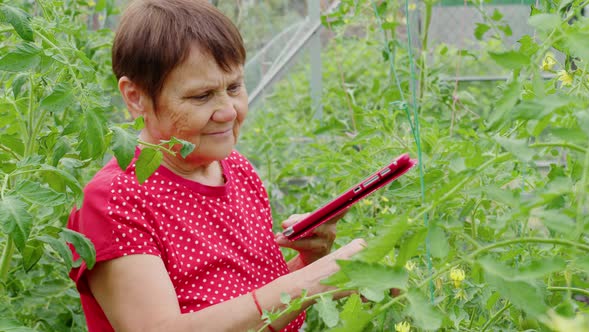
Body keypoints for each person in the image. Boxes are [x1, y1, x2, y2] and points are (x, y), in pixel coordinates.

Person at [67, 1, 366, 331]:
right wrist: (312, 281)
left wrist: (310, 261)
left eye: (234, 87)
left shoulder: (234, 169)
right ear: (136, 97)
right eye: (201, 96)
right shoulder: (113, 200)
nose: (228, 111)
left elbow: (252, 308)